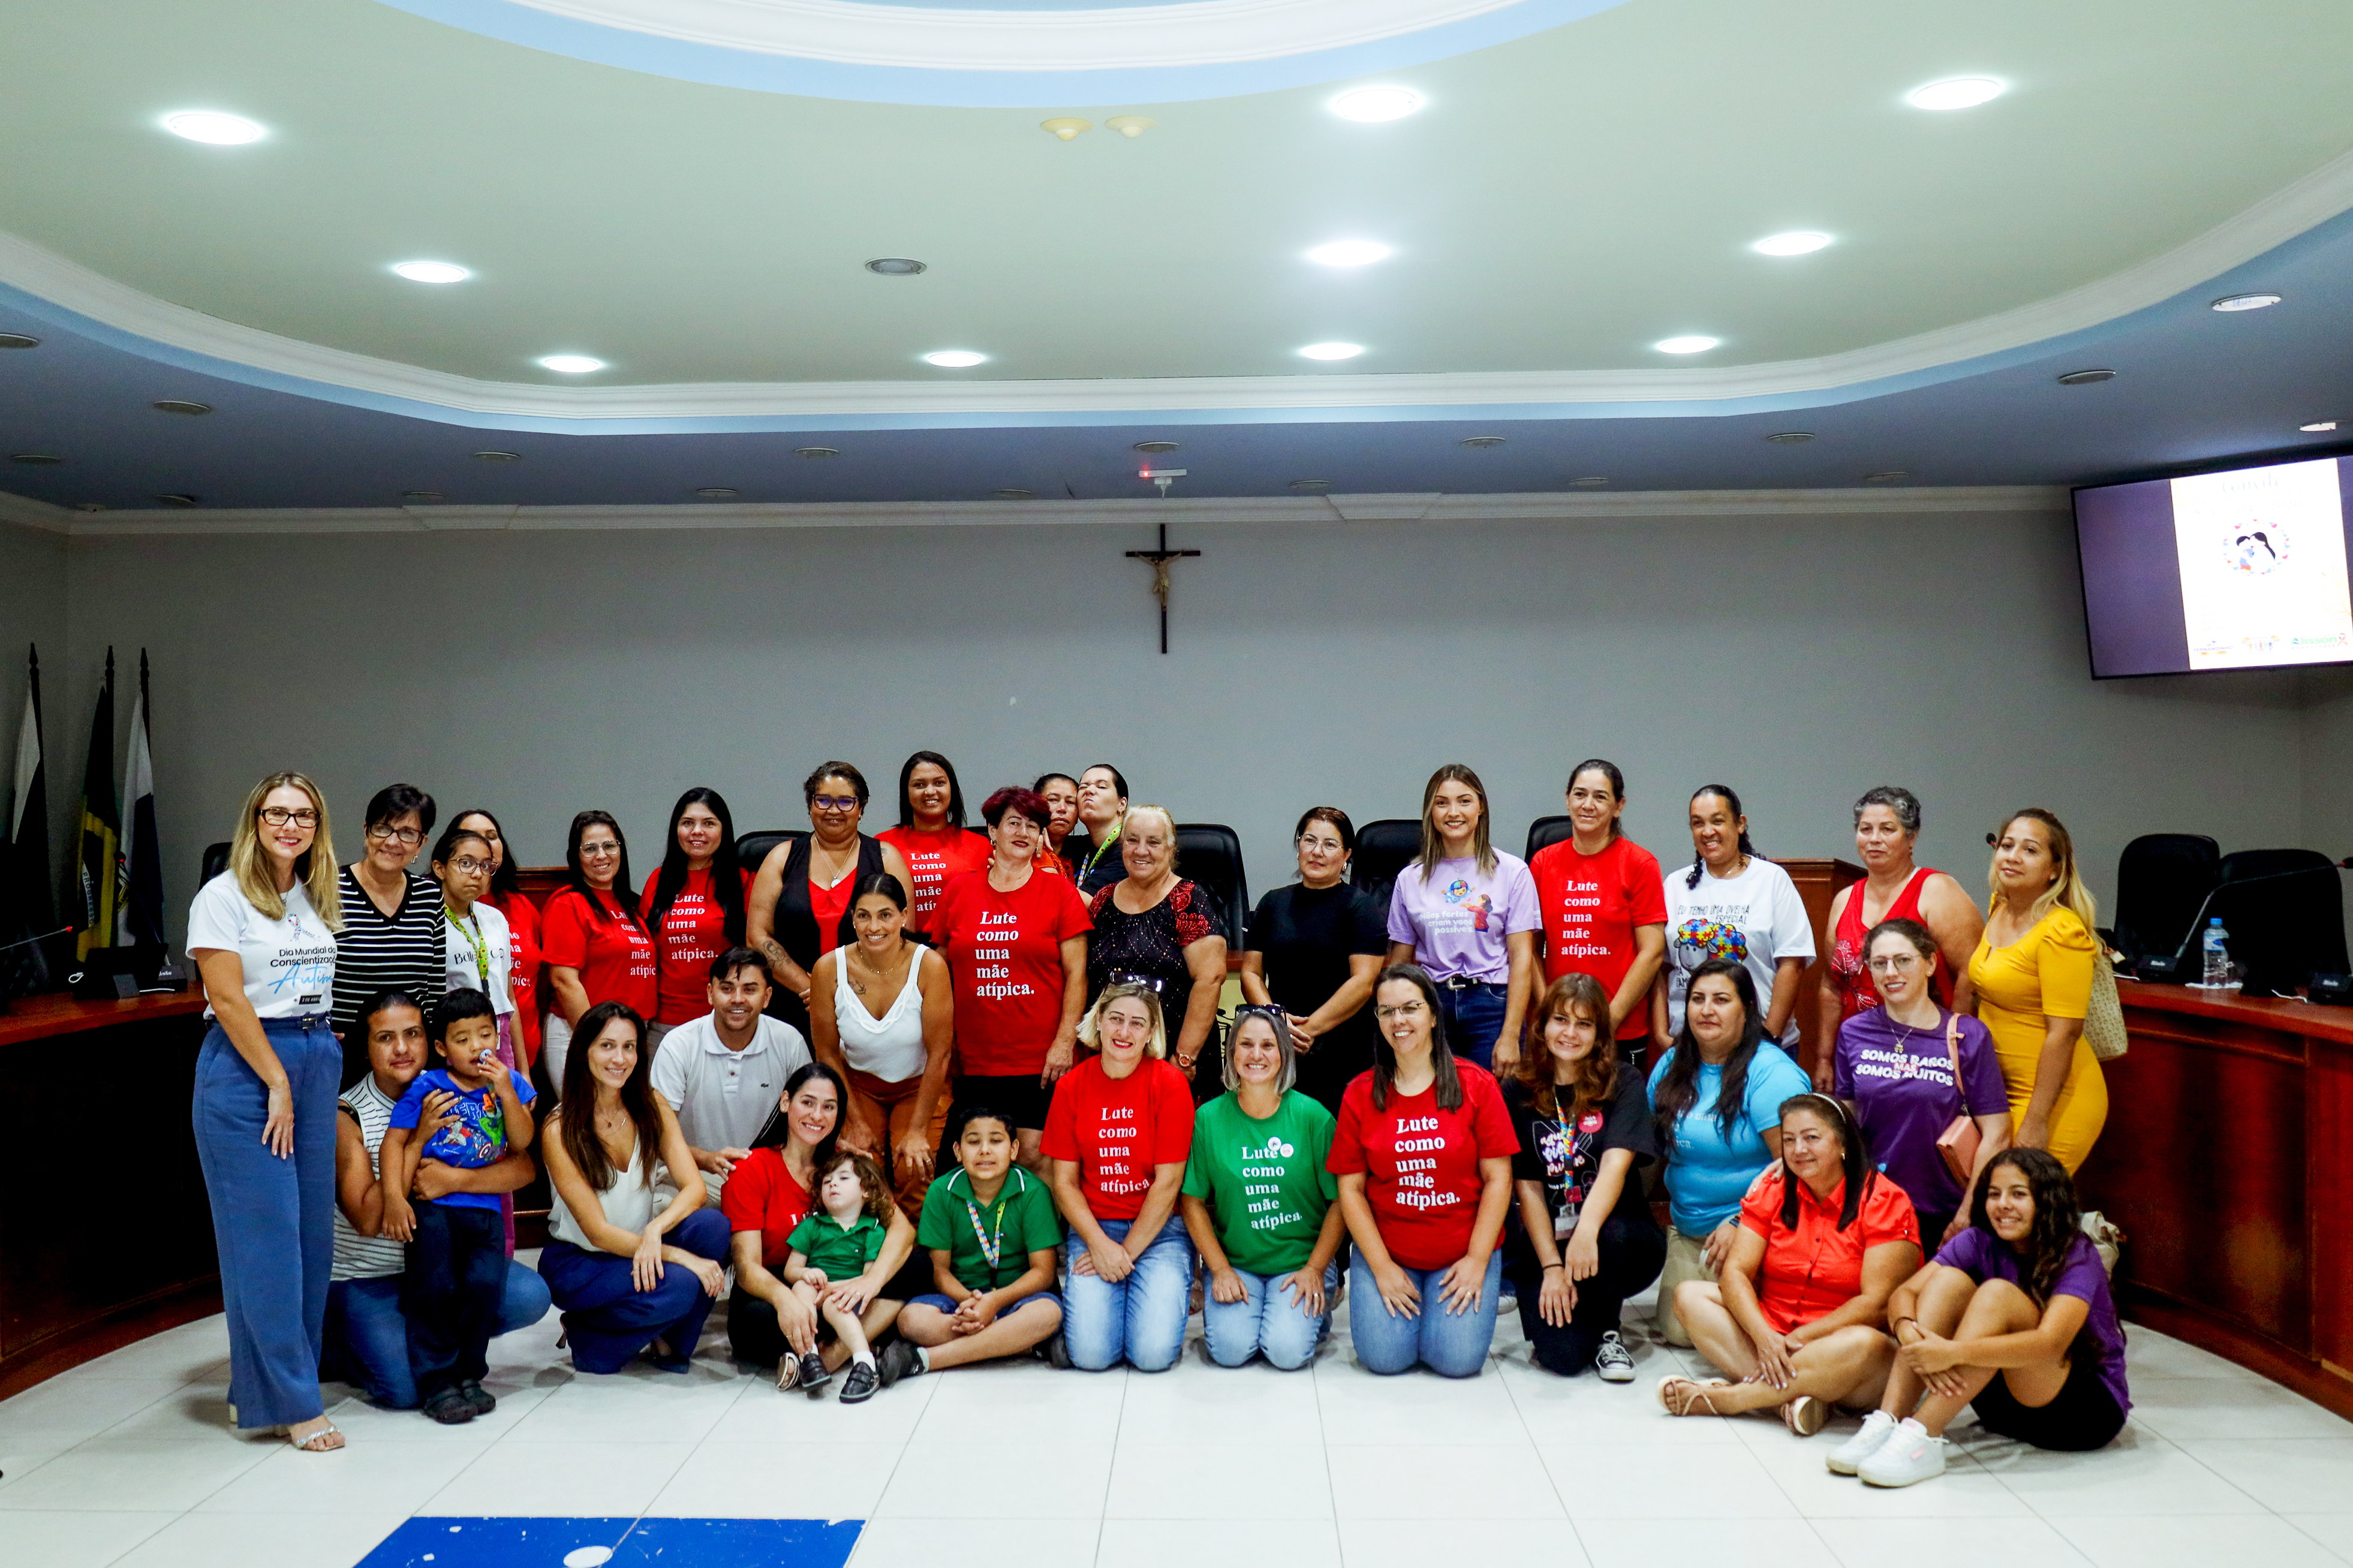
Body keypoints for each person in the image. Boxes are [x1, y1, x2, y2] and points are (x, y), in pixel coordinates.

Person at [187, 771, 347, 1450]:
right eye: (277, 813)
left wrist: (310, 1066)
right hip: (250, 1069)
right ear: (254, 820)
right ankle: (294, 1400)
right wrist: (277, 1077)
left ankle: (266, 1389)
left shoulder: (314, 893)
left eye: (304, 814)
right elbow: (227, 998)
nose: (291, 825)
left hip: (313, 1056)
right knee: (268, 1243)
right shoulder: (221, 898)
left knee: (310, 1240)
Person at [1840, 1148, 2129, 1486]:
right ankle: (1890, 1421)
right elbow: (1905, 1293)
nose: (2003, 1204)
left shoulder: (2077, 1253)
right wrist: (1908, 1333)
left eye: (2018, 1194)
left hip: (2082, 1414)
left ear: (2047, 1200)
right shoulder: (1978, 1240)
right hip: (2001, 1411)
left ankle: (1925, 1436)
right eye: (1994, 1194)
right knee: (1948, 1282)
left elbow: (2050, 1344)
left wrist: (1952, 1353)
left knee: (1996, 1294)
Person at [326, 991, 549, 1413]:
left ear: (431, 1042)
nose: (402, 1048)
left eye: (412, 1034)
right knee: (405, 1391)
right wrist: (419, 1140)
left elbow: (523, 1168)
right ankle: (342, 1345)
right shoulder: (347, 1113)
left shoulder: (459, 1087)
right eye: (385, 1038)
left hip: (449, 1254)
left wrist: (453, 1179)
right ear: (366, 1045)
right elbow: (371, 1219)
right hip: (371, 1277)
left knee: (526, 1294)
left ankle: (454, 1360)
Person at [1662, 1093, 1920, 1434]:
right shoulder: (1773, 1189)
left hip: (1842, 1345)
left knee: (1864, 1343)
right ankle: (1793, 1397)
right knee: (1690, 1296)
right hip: (1774, 1330)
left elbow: (1876, 1305)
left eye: (1811, 1138)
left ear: (1842, 1143)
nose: (1799, 1150)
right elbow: (1736, 1272)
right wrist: (1765, 1336)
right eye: (1789, 1140)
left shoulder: (1885, 1200)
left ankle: (1735, 1399)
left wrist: (1801, 1338)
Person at [1328, 964, 1518, 1378]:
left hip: (1462, 1251)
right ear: (1377, 1020)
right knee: (1384, 1359)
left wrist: (1476, 1259)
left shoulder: (1478, 1084)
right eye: (1386, 1011)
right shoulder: (1360, 1093)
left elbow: (1499, 1180)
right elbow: (1351, 1190)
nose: (1399, 1020)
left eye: (1410, 1008)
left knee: (1458, 1361)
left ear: (1433, 1014)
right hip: (1390, 1251)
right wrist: (1380, 1266)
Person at [535, 1002, 731, 1374]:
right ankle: (587, 1334)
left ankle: (669, 1344)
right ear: (584, 1051)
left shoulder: (651, 1105)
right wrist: (678, 1256)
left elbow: (694, 1188)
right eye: (607, 1046)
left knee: (714, 1229)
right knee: (683, 1283)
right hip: (580, 1260)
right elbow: (597, 1232)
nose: (620, 1059)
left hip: (639, 1244)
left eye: (629, 1047)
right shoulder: (558, 1128)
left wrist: (656, 1229)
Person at [1505, 973, 1665, 1380]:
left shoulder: (1623, 1081)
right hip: (1550, 1237)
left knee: (1609, 1234)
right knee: (1563, 1358)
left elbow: (1615, 1164)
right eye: (1560, 1019)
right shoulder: (1517, 1090)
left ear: (1600, 1032)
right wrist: (1552, 1268)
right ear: (1541, 1026)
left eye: (1584, 1023)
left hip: (1616, 1235)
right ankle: (1585, 1318)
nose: (1570, 1033)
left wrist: (1586, 1230)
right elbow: (1528, 1187)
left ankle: (1610, 1330)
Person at [1646, 958, 1812, 1347]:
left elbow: (1797, 1168)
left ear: (1747, 1010)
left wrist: (1742, 1221)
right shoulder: (1672, 1063)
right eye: (1697, 999)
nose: (1706, 1009)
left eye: (1721, 999)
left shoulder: (1773, 1073)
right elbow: (1644, 1144)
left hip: (1756, 1229)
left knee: (1714, 1330)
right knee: (1679, 1331)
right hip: (1690, 1226)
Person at [721, 1063, 917, 1378]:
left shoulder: (843, 1163)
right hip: (780, 1282)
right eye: (807, 1103)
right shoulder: (751, 1168)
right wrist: (786, 1299)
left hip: (844, 1280)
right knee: (753, 1324)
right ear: (785, 1103)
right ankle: (858, 1337)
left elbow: (902, 1228)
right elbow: (746, 1268)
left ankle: (831, 1356)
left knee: (917, 1266)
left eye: (829, 1107)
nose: (817, 1116)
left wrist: (870, 1281)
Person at [930, 787, 1092, 1169]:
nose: (1023, 833)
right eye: (1013, 823)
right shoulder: (957, 891)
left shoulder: (1060, 894)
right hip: (974, 1060)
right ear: (992, 831)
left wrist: (1065, 1041)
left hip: (1039, 1060)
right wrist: (941, 1040)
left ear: (1041, 838)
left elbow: (1077, 974)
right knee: (973, 1160)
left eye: (1033, 826)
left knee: (1035, 1159)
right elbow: (937, 973)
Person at [1043, 981, 1197, 1371]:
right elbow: (1064, 1182)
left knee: (1151, 1356)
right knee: (1093, 1356)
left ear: (1150, 1033)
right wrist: (1100, 1245)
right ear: (1099, 1021)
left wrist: (1122, 1254)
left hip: (1161, 1229)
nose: (1123, 1032)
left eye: (1136, 1023)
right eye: (1115, 1019)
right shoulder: (1071, 1086)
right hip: (1096, 1227)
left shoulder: (1170, 1083)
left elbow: (1168, 1184)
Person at [1180, 1006, 1344, 1370]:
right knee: (1230, 1352)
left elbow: (1341, 1202)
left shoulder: (1313, 1117)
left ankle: (1313, 1311)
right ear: (1232, 1054)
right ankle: (1275, 1314)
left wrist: (1316, 1269)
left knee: (1286, 1354)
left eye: (1269, 1045)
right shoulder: (1207, 1119)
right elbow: (1191, 1202)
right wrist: (1219, 1269)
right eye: (1247, 1045)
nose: (1257, 1055)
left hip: (1301, 1263)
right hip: (1238, 1265)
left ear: (1284, 1054)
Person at [1834, 919, 2010, 1245]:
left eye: (1903, 960)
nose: (1891, 972)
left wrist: (1968, 1213)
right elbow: (1844, 1124)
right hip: (1874, 1206)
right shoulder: (1853, 1031)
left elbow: (1997, 1134)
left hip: (1944, 1209)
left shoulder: (1967, 1036)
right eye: (1879, 963)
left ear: (1929, 964)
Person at [880, 1104, 1066, 1386]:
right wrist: (971, 1303)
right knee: (912, 1319)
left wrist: (994, 1302)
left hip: (1017, 1299)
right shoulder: (941, 1192)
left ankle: (926, 1360)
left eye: (996, 1140)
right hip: (959, 1301)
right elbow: (939, 1271)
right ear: (957, 1151)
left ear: (1014, 1150)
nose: (985, 1151)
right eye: (974, 1141)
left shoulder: (1034, 1191)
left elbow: (1044, 1272)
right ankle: (1024, 1345)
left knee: (1048, 1313)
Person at [1816, 786, 1984, 1090]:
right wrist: (1825, 1058)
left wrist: (1955, 1048)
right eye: (1865, 829)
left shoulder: (1937, 891)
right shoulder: (1844, 899)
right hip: (1858, 1051)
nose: (1875, 839)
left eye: (1888, 829)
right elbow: (1831, 985)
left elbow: (1970, 977)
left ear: (1912, 837)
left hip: (1926, 1055)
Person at [1970, 809, 2108, 1173]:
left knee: (2023, 1203)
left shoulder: (2062, 932)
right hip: (1999, 1089)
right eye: (2007, 845)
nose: (2012, 856)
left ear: (2054, 870)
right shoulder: (2000, 907)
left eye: (2030, 850)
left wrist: (2036, 1121)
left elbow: (2064, 1034)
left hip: (2054, 1097)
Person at [808, 874, 953, 1211]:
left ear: (904, 916)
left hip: (919, 1086)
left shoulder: (929, 965)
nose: (874, 926)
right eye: (864, 915)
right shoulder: (828, 968)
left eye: (885, 915)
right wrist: (853, 1122)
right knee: (859, 1175)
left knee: (914, 1173)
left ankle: (917, 1260)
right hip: (856, 1087)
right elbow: (826, 1052)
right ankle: (865, 1255)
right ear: (853, 919)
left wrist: (917, 1131)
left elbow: (940, 1055)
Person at [1384, 764, 1539, 1075]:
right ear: (1431, 812)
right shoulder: (1410, 879)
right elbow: (1399, 964)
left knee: (1493, 1108)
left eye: (1464, 801)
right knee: (1440, 1107)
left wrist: (1510, 1035)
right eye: (1442, 803)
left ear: (1481, 807)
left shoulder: (1512, 872)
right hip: (1431, 1007)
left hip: (1492, 1006)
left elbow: (1522, 958)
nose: (1453, 812)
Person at [747, 762, 917, 1037]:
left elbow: (905, 939)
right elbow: (757, 935)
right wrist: (813, 989)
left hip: (869, 1008)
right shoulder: (781, 857)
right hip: (791, 1008)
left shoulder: (886, 859)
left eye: (846, 802)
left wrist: (853, 994)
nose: (833, 810)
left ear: (861, 809)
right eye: (823, 800)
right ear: (810, 806)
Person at [1241, 806, 1386, 1115]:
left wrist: (1308, 1031)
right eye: (1309, 840)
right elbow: (1251, 974)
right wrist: (1278, 1024)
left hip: (1343, 1048)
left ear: (1347, 855)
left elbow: (1363, 983)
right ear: (1298, 847)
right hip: (1280, 1046)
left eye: (1330, 844)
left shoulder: (1361, 907)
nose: (1317, 852)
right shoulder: (1272, 903)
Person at [1525, 761, 1666, 1064]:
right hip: (1558, 1034)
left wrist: (1606, 1022)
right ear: (1567, 799)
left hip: (1620, 1030)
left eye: (1601, 797)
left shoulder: (1640, 864)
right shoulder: (1542, 863)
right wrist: (1553, 1017)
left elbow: (1652, 952)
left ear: (1619, 806)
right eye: (1580, 794)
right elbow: (1531, 951)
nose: (1588, 805)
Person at [649, 948, 813, 1208]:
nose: (738, 999)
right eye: (727, 989)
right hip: (694, 1175)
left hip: (767, 1178)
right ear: (710, 994)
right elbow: (653, 1136)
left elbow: (808, 1119)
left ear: (767, 997)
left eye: (750, 990)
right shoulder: (678, 1044)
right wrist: (707, 1159)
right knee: (674, 1213)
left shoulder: (789, 1041)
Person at [1656, 784, 1813, 1052]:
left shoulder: (1771, 880)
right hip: (1690, 1047)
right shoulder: (1675, 885)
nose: (1708, 832)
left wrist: (1769, 1038)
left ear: (1740, 824)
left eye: (1718, 821)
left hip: (1760, 1043)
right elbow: (1660, 967)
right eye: (1698, 823)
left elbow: (1793, 963)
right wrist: (1663, 1034)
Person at [1085, 803, 1226, 1098]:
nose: (1141, 850)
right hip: (1113, 1058)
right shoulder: (1103, 900)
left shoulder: (1187, 899)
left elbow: (1209, 980)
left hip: (1174, 1060)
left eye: (1153, 842)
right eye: (1133, 840)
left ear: (1170, 848)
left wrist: (1184, 1058)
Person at [332, 783, 444, 1082]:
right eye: (384, 828)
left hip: (408, 1058)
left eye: (408, 833)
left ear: (421, 844)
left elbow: (434, 989)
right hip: (341, 1055)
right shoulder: (328, 889)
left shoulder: (430, 895)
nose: (393, 842)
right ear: (367, 831)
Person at [540, 811, 657, 1087]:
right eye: (590, 849)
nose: (601, 855)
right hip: (582, 1036)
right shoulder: (568, 904)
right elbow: (564, 981)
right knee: (589, 1125)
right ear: (576, 857)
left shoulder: (630, 905)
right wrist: (599, 1043)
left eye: (609, 846)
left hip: (628, 1040)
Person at [778, 1149, 905, 1402]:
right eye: (827, 1181)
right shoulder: (812, 1226)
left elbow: (868, 1278)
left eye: (844, 1179)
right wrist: (807, 1273)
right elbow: (790, 1270)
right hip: (814, 1293)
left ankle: (864, 1362)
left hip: (845, 1295)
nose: (833, 1184)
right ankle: (809, 1357)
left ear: (866, 1191)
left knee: (838, 1306)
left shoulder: (872, 1229)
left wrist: (836, 1288)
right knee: (801, 1290)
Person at [637, 788, 751, 1047]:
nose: (697, 831)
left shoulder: (744, 882)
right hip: (664, 1024)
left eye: (708, 823)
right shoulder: (658, 881)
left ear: (724, 830)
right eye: (687, 823)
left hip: (725, 1021)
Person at [451, 808, 543, 1068]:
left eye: (491, 836)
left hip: (518, 1046)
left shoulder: (521, 907)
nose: (483, 844)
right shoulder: (435, 910)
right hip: (463, 1051)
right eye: (471, 836)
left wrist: (524, 1070)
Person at [877, 751, 992, 937]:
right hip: (901, 954)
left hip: (961, 952)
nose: (930, 791)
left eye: (939, 783)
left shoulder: (981, 845)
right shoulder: (883, 845)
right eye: (919, 785)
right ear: (906, 793)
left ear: (952, 790)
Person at [431, 826, 516, 1070]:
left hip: (499, 1032)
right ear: (440, 869)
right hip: (458, 1036)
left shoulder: (496, 918)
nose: (477, 874)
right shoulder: (428, 920)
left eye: (485, 865)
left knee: (505, 1104)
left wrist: (523, 1069)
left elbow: (509, 997)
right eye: (466, 863)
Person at [1066, 763, 1130, 898]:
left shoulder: (1130, 849)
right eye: (1083, 787)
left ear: (1122, 804)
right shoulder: (1081, 846)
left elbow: (1083, 903)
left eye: (1102, 786)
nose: (1089, 791)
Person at [1033, 772, 1082, 875]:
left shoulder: (1084, 851)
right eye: (1053, 800)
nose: (1062, 809)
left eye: (1071, 802)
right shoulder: (1017, 846)